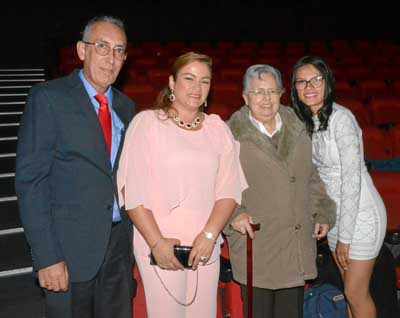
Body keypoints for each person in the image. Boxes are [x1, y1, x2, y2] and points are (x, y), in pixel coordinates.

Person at [15, 15, 136, 318]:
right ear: (82, 51)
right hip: (68, 253)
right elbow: (31, 182)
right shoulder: (49, 98)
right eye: (103, 47)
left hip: (118, 251)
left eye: (119, 50)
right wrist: (46, 255)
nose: (112, 59)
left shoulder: (126, 106)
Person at [117, 51, 247, 317]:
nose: (197, 88)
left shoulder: (217, 129)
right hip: (161, 245)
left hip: (205, 245)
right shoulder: (148, 124)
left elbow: (229, 190)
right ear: (172, 83)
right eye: (189, 78)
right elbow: (132, 192)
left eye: (205, 81)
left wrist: (209, 236)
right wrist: (157, 243)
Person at [225, 64, 336, 318]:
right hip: (258, 244)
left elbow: (311, 176)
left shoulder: (298, 127)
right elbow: (217, 185)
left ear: (282, 94)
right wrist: (235, 215)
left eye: (272, 91)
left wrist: (322, 212)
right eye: (258, 92)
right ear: (245, 97)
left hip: (293, 246)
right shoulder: (230, 134)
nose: (266, 99)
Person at [290, 55, 387, 318]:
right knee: (349, 292)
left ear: (327, 82)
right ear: (295, 89)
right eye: (301, 82)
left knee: (356, 293)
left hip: (361, 216)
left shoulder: (341, 119)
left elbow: (352, 181)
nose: (308, 87)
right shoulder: (310, 122)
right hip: (336, 216)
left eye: (315, 80)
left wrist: (345, 236)